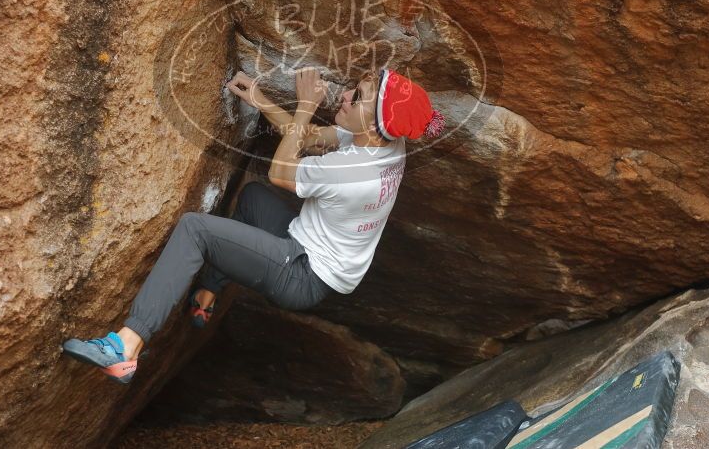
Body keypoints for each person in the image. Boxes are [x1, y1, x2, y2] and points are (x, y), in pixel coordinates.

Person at [61, 67, 445, 383]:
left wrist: (306, 105)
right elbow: (309, 139)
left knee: (196, 229)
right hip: (308, 248)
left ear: (376, 125)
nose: (344, 95)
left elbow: (283, 171)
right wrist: (260, 99)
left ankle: (126, 346)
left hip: (303, 272)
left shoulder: (356, 175)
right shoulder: (386, 142)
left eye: (356, 97)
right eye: (353, 89)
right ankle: (208, 294)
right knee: (253, 199)